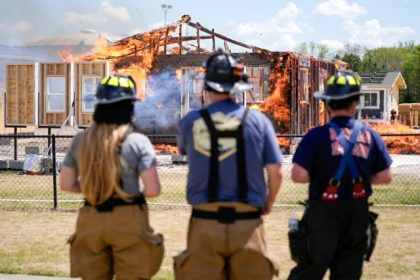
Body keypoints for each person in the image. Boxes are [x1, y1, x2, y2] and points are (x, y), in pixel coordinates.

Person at [174, 49, 283, 280]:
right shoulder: (259, 121)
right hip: (247, 222)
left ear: (207, 85)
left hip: (204, 222)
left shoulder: (189, 122)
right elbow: (276, 172)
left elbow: (186, 151)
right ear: (237, 85)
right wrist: (269, 202)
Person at [287, 70, 392, 280]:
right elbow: (384, 177)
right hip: (357, 216)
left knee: (309, 270)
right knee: (347, 275)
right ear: (355, 103)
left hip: (322, 215)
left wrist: (321, 175)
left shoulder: (315, 136)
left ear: (327, 104)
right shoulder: (370, 135)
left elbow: (298, 176)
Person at [60, 75, 164, 280]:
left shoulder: (81, 140)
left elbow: (66, 184)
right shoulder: (138, 141)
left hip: (91, 216)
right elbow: (153, 190)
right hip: (129, 216)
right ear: (129, 107)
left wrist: (97, 186)